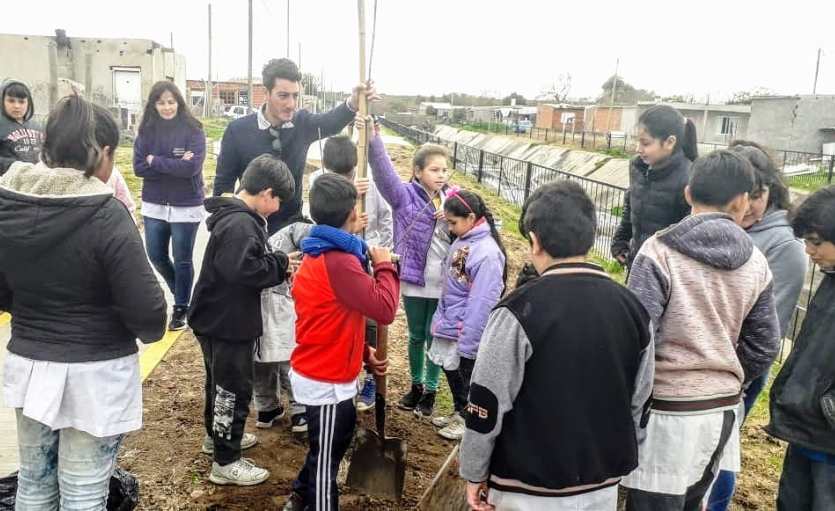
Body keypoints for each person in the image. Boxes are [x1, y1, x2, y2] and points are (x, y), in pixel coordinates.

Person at [0, 95, 166, 508]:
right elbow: (149, 316)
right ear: (102, 152)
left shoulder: (8, 203)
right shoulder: (106, 214)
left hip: (30, 365)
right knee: (84, 493)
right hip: (95, 375)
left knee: (35, 486)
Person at [459, 181, 654, 510]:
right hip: (600, 484)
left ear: (534, 240)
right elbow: (641, 401)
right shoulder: (633, 309)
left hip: (526, 487)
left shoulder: (517, 311)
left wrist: (474, 471)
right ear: (591, 236)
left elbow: (487, 402)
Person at [622, 150, 780, 510]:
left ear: (689, 193)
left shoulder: (658, 251)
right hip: (719, 412)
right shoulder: (756, 262)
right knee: (694, 503)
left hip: (664, 411)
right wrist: (725, 375)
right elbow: (766, 343)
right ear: (742, 201)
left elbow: (635, 335)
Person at [283, 173, 398, 511]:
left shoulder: (323, 255)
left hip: (329, 368)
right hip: (326, 379)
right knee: (326, 459)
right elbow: (385, 309)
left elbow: (331, 321)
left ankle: (299, 494)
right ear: (352, 213)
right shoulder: (340, 262)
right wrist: (385, 267)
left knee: (333, 442)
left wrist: (364, 353)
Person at [707, 141, 807, 511]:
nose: (745, 209)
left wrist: (734, 380)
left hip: (739, 368)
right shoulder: (729, 225)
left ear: (767, 191)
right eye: (739, 198)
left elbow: (766, 331)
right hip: (708, 358)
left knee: (721, 447)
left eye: (755, 197)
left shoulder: (786, 247)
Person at [188, 154, 294, 486]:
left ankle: (217, 439)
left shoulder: (233, 217)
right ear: (266, 193)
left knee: (218, 386)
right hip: (229, 323)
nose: (277, 208)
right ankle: (227, 460)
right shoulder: (241, 224)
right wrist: (278, 264)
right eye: (277, 200)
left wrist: (272, 259)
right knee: (232, 390)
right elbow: (243, 270)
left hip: (214, 318)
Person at [213, 58, 380, 234]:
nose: (291, 104)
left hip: (292, 228)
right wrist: (230, 227)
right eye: (283, 96)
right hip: (250, 229)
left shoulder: (302, 124)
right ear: (266, 93)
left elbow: (331, 122)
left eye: (295, 95)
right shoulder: (237, 131)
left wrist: (353, 102)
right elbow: (223, 187)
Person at [368, 118, 451, 418]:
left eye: (444, 170)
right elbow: (384, 174)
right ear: (418, 171)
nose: (441, 175)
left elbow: (478, 222)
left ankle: (431, 389)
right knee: (417, 334)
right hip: (415, 280)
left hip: (445, 283)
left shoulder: (454, 199)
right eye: (434, 169)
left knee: (435, 335)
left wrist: (454, 215)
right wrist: (374, 138)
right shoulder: (404, 198)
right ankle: (415, 385)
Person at [309, 132, 394, 411]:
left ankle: (368, 375)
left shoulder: (370, 186)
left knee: (366, 324)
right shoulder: (318, 186)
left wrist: (378, 251)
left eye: (347, 174)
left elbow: (385, 219)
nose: (345, 179)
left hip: (366, 261)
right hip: (345, 263)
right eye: (338, 174)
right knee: (342, 321)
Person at [766, 185, 835, 511]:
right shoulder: (831, 275)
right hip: (808, 426)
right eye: (806, 241)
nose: (808, 251)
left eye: (816, 242)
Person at [428, 187, 506, 441]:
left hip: (466, 327)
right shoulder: (463, 241)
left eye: (453, 222)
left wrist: (470, 338)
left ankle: (467, 418)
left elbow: (482, 301)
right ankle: (459, 410)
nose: (449, 228)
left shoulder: (487, 253)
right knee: (452, 371)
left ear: (471, 219)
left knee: (466, 374)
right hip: (453, 320)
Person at [133, 81, 206, 330]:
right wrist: (173, 163)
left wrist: (155, 161)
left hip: (186, 205)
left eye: (171, 101)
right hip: (154, 204)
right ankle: (184, 295)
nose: (166, 107)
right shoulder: (146, 132)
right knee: (156, 255)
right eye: (161, 102)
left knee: (182, 259)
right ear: (154, 104)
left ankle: (181, 308)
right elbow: (138, 168)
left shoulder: (193, 130)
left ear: (179, 102)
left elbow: (191, 168)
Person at [611, 104, 698, 268]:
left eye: (645, 143)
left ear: (670, 142)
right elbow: (631, 207)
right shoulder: (637, 168)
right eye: (638, 142)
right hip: (636, 262)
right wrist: (621, 241)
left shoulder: (689, 179)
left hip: (665, 272)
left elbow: (688, 236)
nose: (639, 149)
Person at [255, 220, 312, 434]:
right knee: (291, 359)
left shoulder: (266, 235)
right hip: (279, 303)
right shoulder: (299, 228)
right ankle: (300, 411)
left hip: (258, 303)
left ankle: (266, 408)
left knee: (262, 359)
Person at [0, 80, 43, 175]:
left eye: (22, 102)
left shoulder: (37, 126)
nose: (16, 106)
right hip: (6, 185)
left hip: (35, 182)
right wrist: (15, 166)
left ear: (28, 103)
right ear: (2, 101)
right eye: (11, 101)